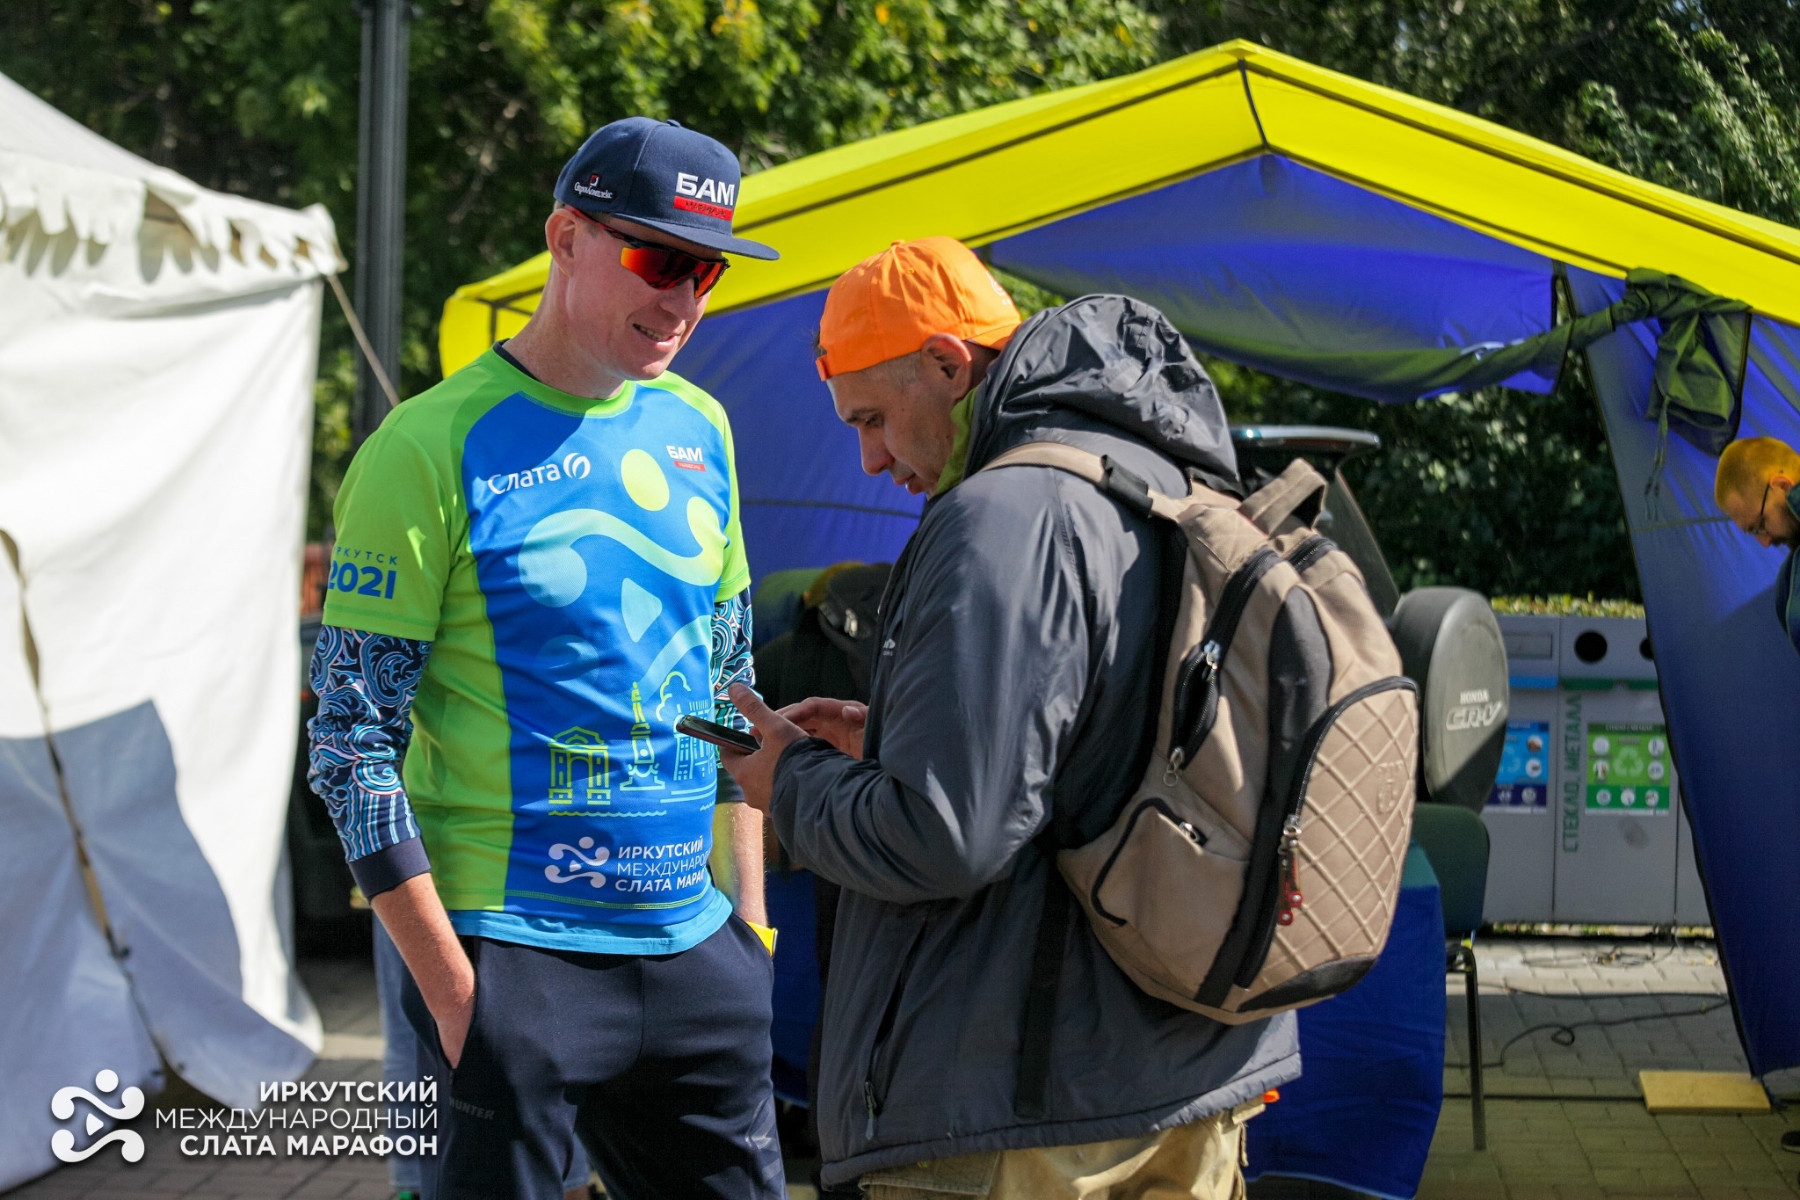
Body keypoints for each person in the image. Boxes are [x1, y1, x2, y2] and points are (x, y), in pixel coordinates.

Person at [721, 237, 1299, 1199]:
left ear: (949, 364)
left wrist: (789, 779)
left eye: (873, 418)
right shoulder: (1164, 475)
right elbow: (1101, 746)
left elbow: (944, 838)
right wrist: (899, 740)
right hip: (1195, 1075)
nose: (870, 459)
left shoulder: (999, 517)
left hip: (1031, 1107)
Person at [307, 116, 785, 1200]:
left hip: (697, 954)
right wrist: (456, 996)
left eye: (706, 271)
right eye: (659, 261)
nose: (684, 300)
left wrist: (748, 926)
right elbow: (348, 745)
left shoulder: (701, 428)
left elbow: (727, 691)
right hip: (510, 959)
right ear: (567, 237)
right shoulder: (425, 445)